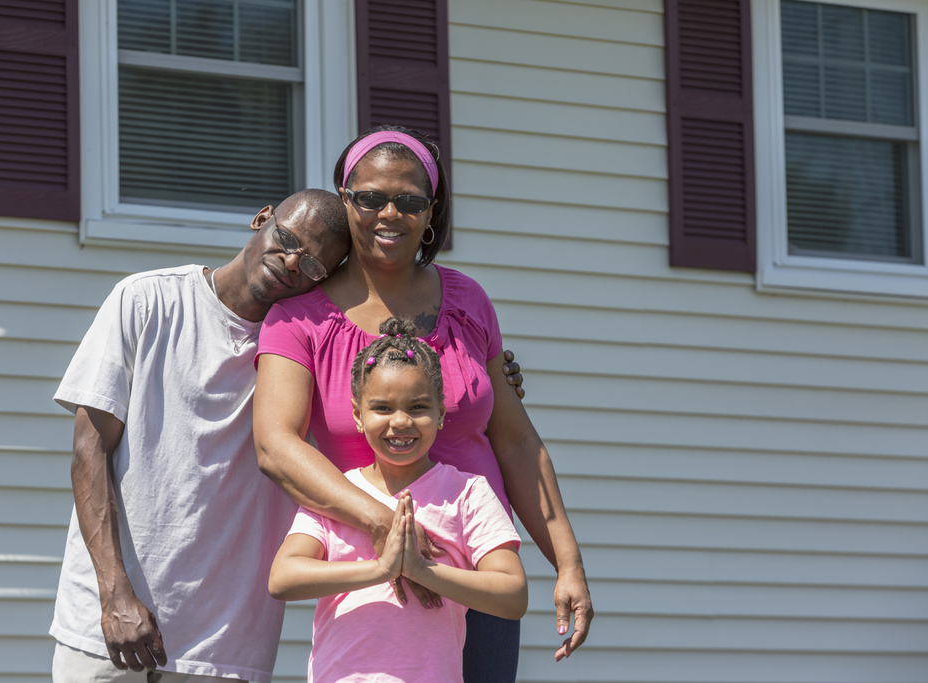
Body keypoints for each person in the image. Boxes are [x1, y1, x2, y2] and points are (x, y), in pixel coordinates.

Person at [254, 125, 593, 682]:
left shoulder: (468, 302)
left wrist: (568, 563)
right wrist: (390, 531)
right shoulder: (299, 319)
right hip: (370, 576)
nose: (389, 214)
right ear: (346, 200)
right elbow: (275, 445)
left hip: (477, 567)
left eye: (408, 201)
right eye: (369, 198)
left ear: (431, 212)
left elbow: (515, 441)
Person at [48, 190, 352, 683]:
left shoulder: (310, 351)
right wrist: (114, 593)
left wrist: (496, 380)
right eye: (287, 239)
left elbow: (401, 402)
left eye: (314, 264)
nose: (291, 262)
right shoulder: (146, 299)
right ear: (261, 219)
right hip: (109, 628)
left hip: (228, 646)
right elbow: (90, 450)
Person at [268, 318, 528, 683]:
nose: (401, 421)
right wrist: (381, 569)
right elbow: (282, 579)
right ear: (359, 416)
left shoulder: (468, 493)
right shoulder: (336, 495)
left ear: (440, 414)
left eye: (418, 407)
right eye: (383, 408)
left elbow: (513, 595)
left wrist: (423, 570)